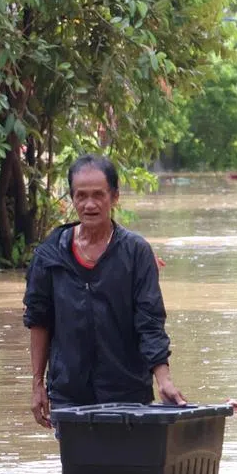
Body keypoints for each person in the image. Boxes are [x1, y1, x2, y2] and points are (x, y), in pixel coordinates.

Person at [24, 154, 185, 429]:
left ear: (115, 197)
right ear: (72, 199)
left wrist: (164, 380)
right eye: (81, 196)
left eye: (98, 195)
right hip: (69, 394)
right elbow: (39, 320)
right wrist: (38, 384)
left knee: (131, 469)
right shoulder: (50, 254)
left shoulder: (136, 253)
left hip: (128, 394)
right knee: (77, 471)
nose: (89, 204)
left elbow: (150, 322)